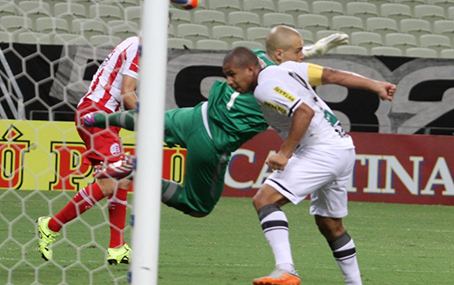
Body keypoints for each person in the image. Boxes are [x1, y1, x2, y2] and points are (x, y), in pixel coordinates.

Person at [82, 33, 349, 218]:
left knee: (151, 120)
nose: (303, 55)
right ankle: (138, 173)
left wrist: (312, 51)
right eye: (300, 51)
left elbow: (283, 59)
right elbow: (299, 95)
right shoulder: (275, 88)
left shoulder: (253, 58)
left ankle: (97, 119)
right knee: (198, 206)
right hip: (212, 141)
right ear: (283, 54)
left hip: (196, 115)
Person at [224, 26, 395, 285]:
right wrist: (375, 84)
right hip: (342, 147)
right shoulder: (291, 68)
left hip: (321, 150)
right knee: (330, 224)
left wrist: (284, 153)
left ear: (252, 69)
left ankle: (286, 269)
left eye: (233, 75)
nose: (230, 82)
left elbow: (304, 112)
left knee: (264, 199)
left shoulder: (266, 86)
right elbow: (333, 76)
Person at [37, 34, 139, 264]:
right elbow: (127, 92)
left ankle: (117, 247)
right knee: (110, 182)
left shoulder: (133, 44)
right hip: (97, 114)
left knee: (121, 179)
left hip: (104, 116)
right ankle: (51, 225)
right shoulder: (139, 47)